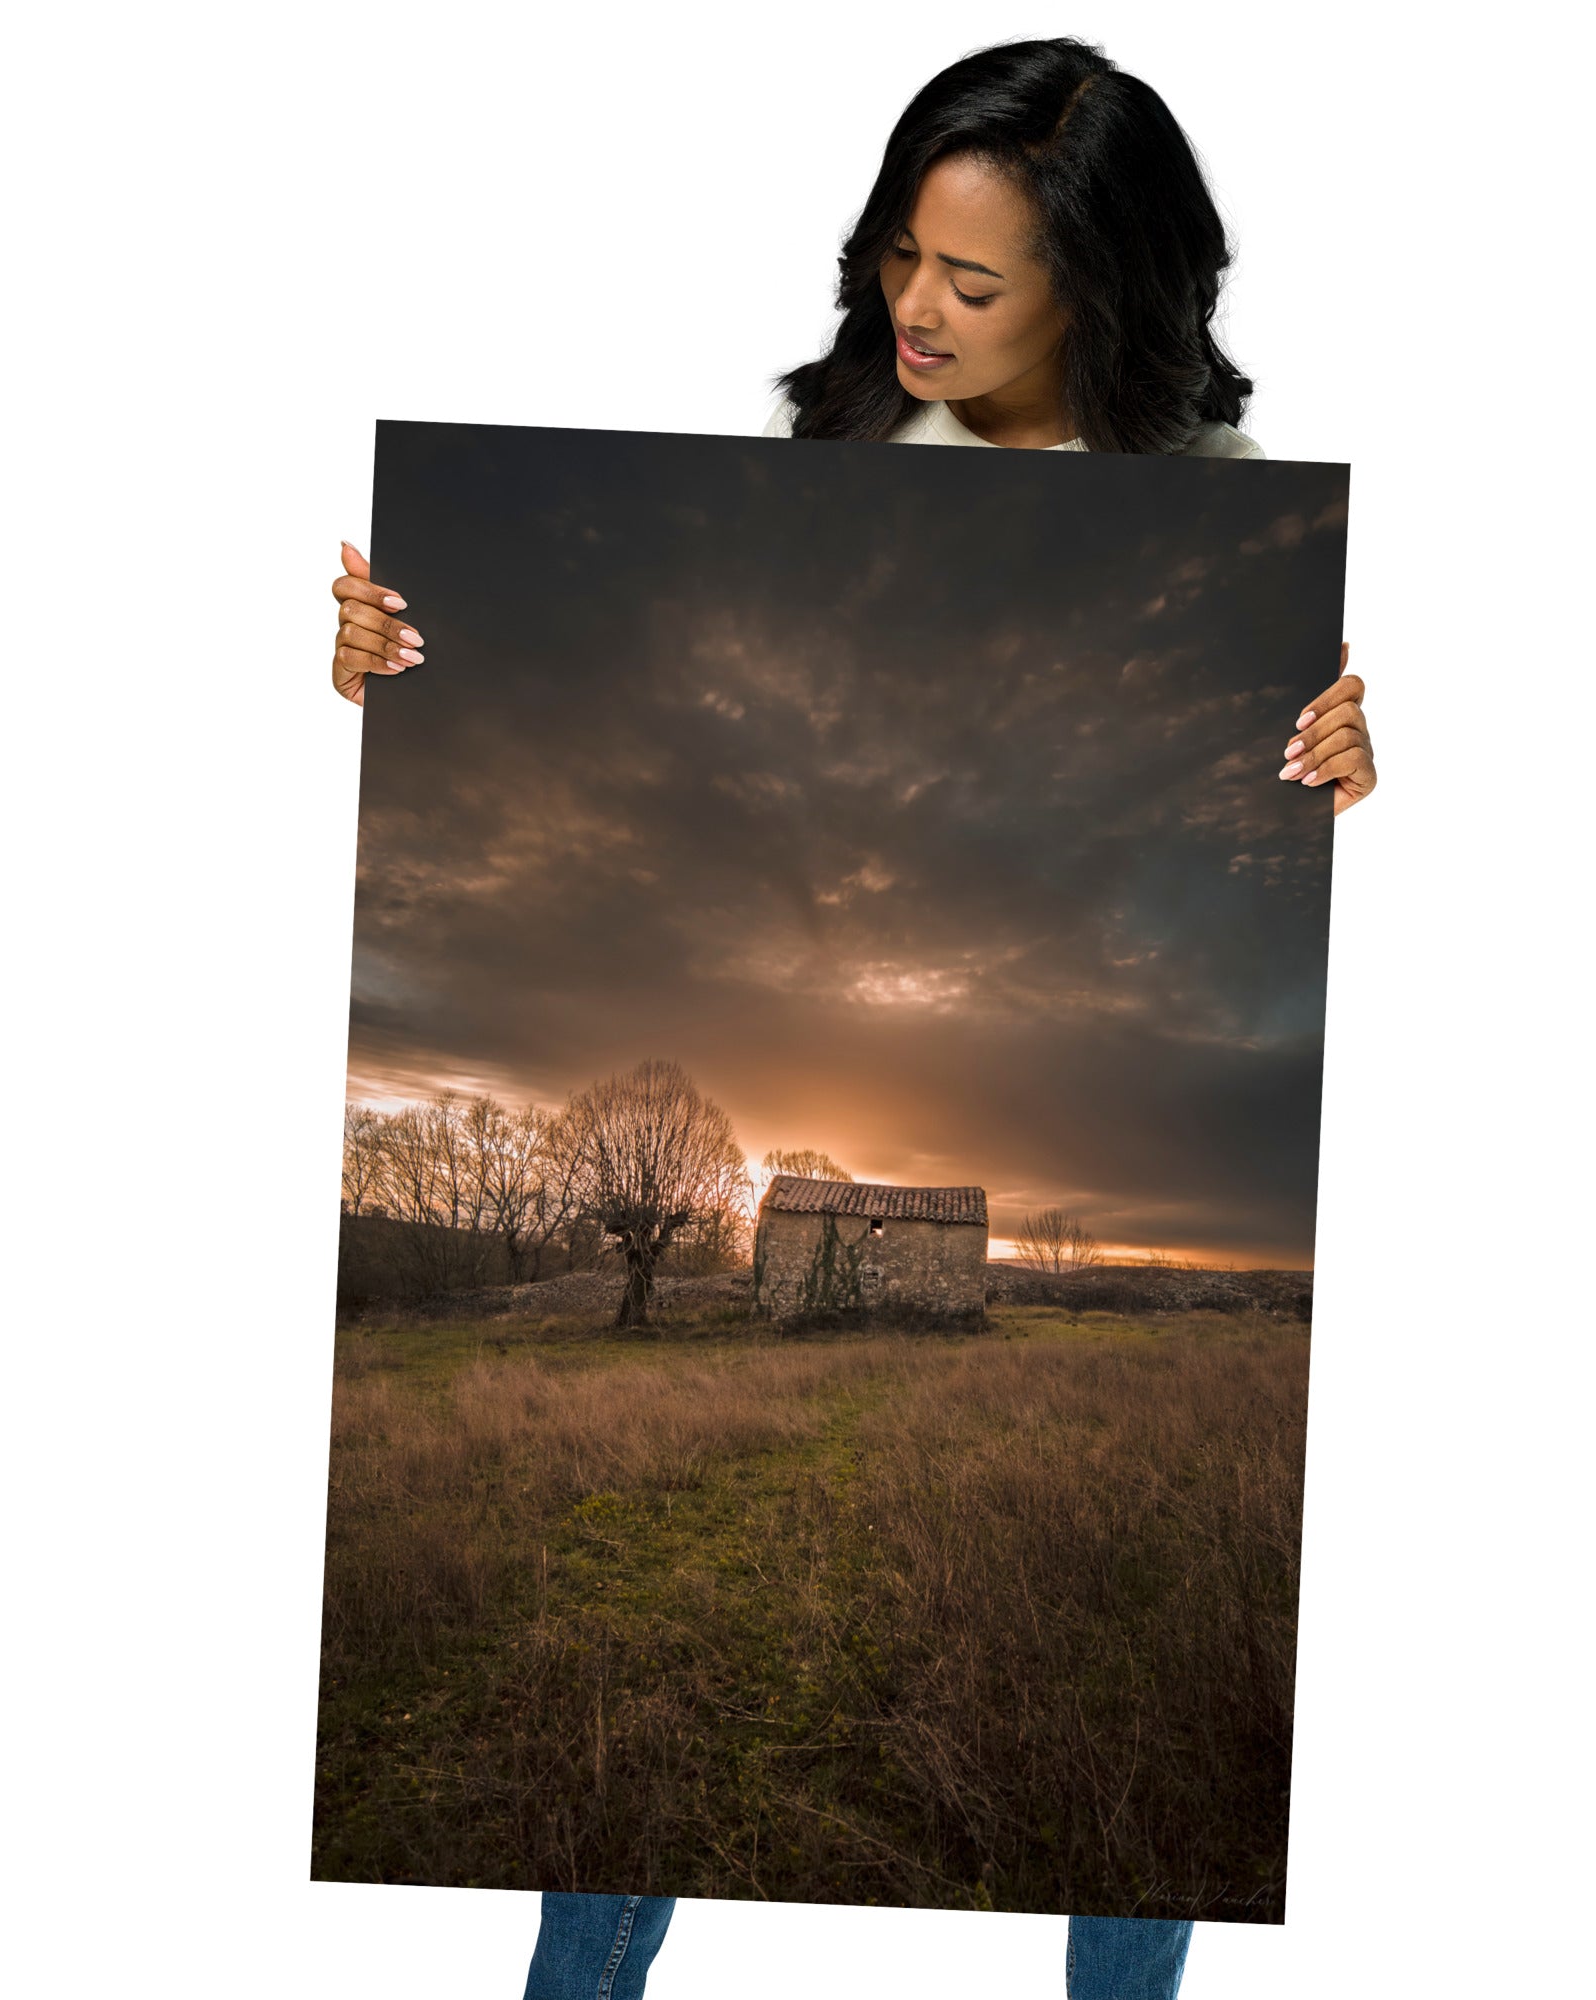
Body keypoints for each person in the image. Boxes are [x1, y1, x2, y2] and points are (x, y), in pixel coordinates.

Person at [326, 36, 1376, 2000]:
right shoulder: (821, 466)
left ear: (1107, 290)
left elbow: (1341, 898)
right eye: (903, 252)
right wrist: (389, 665)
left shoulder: (1241, 527)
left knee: (1138, 1824)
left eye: (975, 283)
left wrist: (1353, 772)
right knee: (600, 1830)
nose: (915, 307)